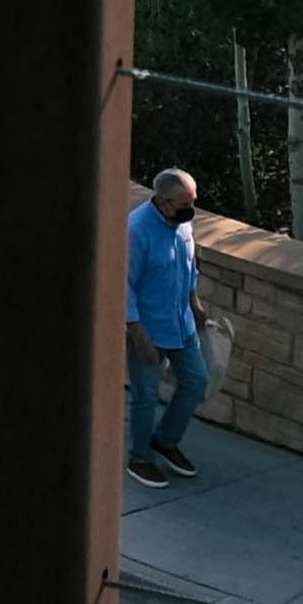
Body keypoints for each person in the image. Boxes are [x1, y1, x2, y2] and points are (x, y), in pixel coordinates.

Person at [124, 169, 211, 488]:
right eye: (183, 203)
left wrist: (195, 301)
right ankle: (140, 458)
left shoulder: (184, 223)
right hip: (148, 330)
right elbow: (124, 286)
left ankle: (166, 440)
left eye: (193, 201)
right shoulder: (136, 230)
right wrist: (138, 336)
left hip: (181, 325)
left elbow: (189, 266)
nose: (190, 208)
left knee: (197, 381)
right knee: (146, 395)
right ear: (161, 201)